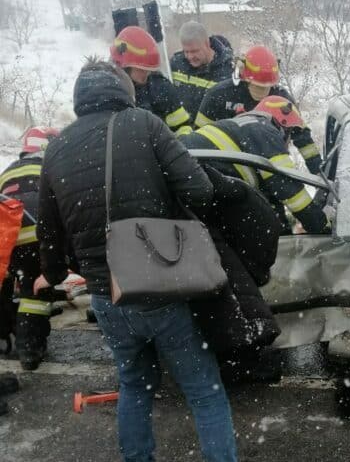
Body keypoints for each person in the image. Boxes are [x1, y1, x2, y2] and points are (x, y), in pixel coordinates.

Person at [33, 58, 237, 462]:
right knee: (203, 391)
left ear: (80, 97)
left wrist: (61, 272)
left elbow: (50, 236)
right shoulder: (144, 123)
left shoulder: (55, 149)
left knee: (133, 385)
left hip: (108, 298)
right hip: (161, 287)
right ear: (123, 90)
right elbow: (198, 189)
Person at [183, 96, 330, 235]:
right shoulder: (265, 130)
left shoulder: (240, 127)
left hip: (182, 178)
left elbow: (271, 198)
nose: (288, 142)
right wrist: (321, 226)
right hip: (199, 184)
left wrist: (285, 227)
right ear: (282, 124)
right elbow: (288, 189)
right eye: (290, 135)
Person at [195, 45, 322, 174]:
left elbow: (303, 139)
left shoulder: (282, 100)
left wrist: (319, 174)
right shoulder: (219, 95)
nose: (261, 92)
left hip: (269, 165)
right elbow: (200, 135)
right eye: (257, 86)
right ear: (243, 74)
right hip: (228, 168)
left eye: (266, 87)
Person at [0, 126, 62, 370]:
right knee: (34, 291)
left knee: (8, 284)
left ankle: (5, 331)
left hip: (8, 238)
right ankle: (29, 350)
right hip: (37, 235)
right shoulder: (52, 166)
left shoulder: (6, 172)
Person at [111, 26, 193, 135]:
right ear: (123, 67)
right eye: (141, 69)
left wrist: (182, 142)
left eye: (149, 69)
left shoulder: (161, 88)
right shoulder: (109, 94)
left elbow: (182, 126)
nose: (147, 74)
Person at [170, 21, 235, 121]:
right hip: (181, 134)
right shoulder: (175, 64)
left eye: (194, 51)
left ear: (207, 43)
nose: (190, 57)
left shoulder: (229, 71)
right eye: (186, 51)